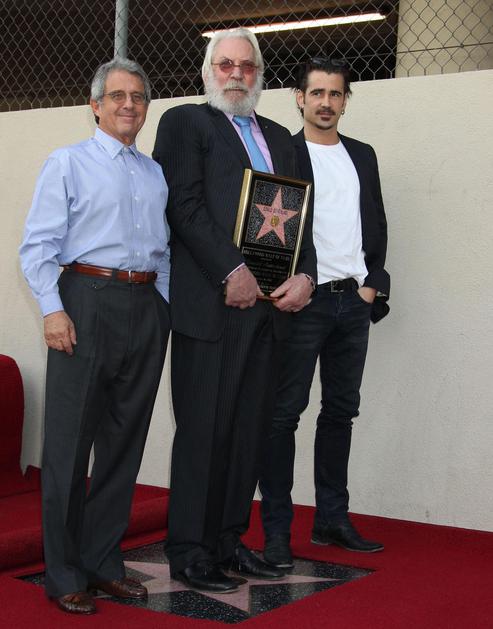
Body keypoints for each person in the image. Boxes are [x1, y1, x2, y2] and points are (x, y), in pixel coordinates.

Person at [153, 28, 316, 593]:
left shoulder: (281, 137)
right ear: (207, 72)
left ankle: (226, 541)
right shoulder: (185, 123)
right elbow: (184, 207)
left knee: (248, 433)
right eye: (225, 64)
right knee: (204, 431)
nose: (236, 75)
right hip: (211, 308)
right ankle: (189, 551)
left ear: (260, 75)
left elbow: (301, 219)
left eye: (247, 66)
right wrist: (231, 271)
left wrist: (306, 276)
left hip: (269, 314)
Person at [19, 58, 171, 615]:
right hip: (84, 302)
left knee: (123, 445)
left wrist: (163, 307)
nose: (129, 105)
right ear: (96, 106)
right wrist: (53, 310)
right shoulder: (68, 163)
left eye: (138, 97)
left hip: (144, 306)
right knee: (68, 446)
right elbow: (37, 246)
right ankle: (63, 574)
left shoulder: (154, 174)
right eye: (117, 96)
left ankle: (104, 562)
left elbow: (163, 248)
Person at [259, 57, 390, 569]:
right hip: (303, 305)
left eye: (336, 94)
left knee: (340, 412)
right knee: (283, 415)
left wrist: (373, 284)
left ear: (345, 101)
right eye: (317, 93)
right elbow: (271, 232)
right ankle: (276, 532)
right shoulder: (284, 154)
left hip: (352, 303)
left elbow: (376, 221)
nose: (326, 103)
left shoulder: (362, 155)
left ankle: (332, 519)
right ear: (299, 98)